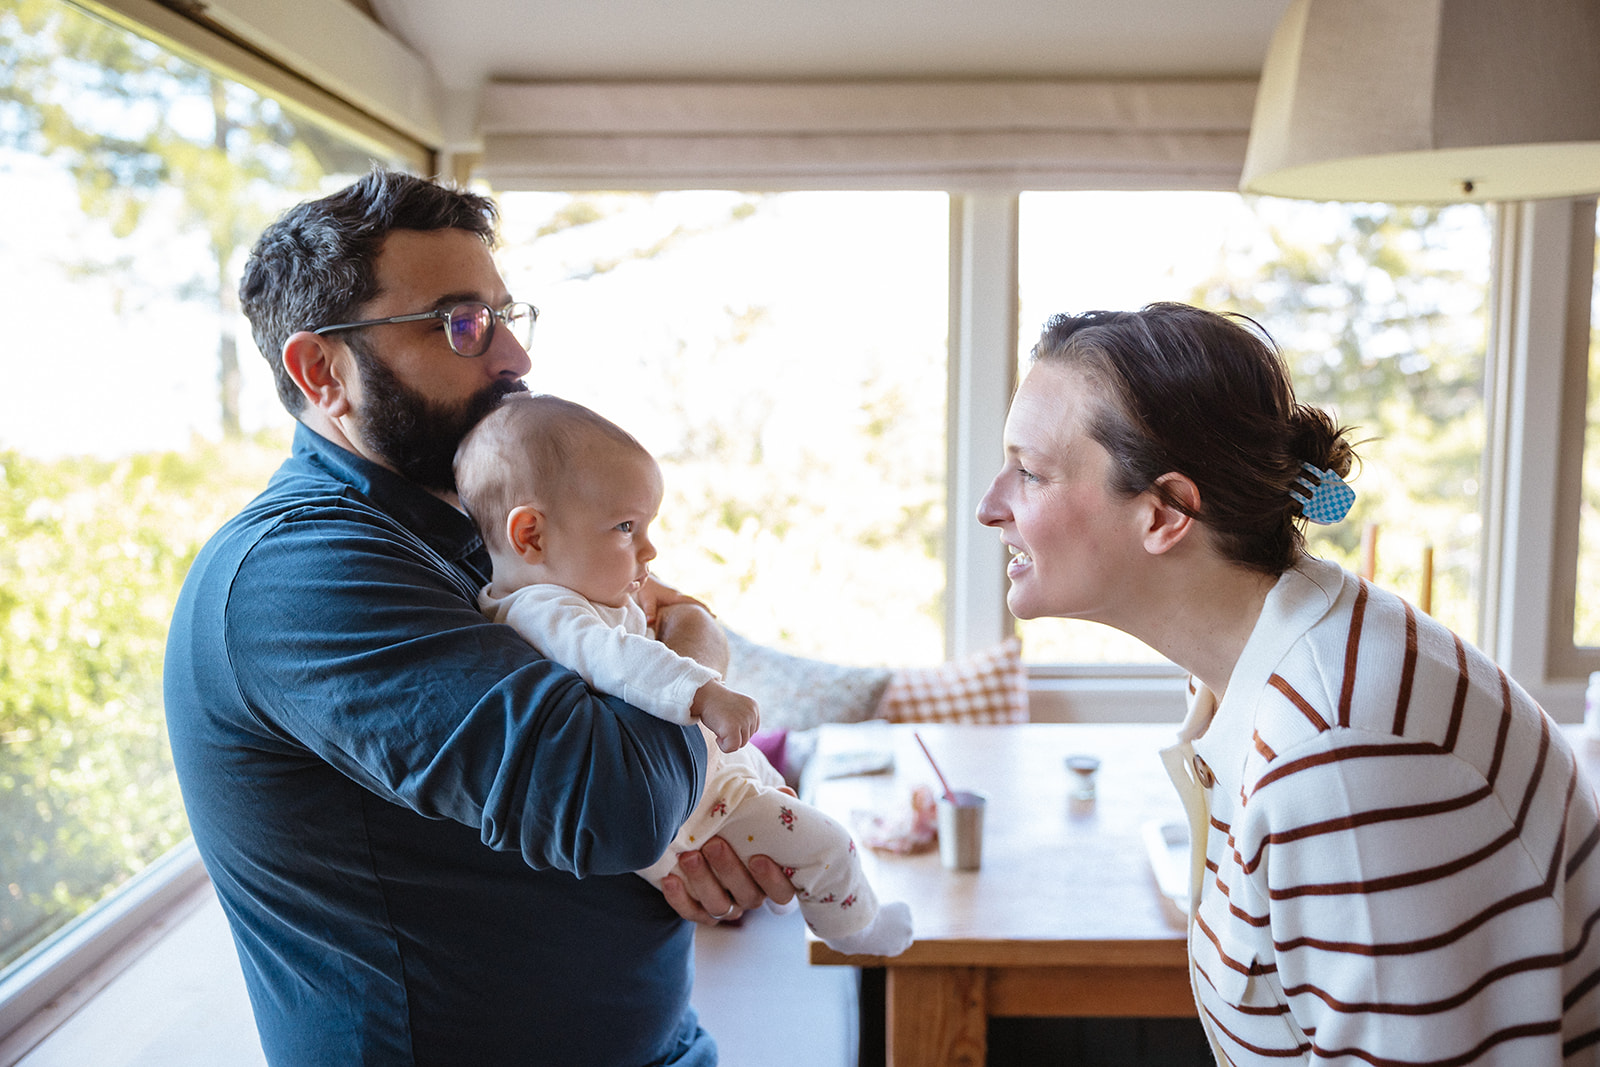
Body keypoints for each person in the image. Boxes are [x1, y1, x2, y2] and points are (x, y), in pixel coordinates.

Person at [163, 169, 792, 1067]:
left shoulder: (469, 533)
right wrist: (701, 646)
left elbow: (619, 758)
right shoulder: (302, 575)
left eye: (504, 316)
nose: (514, 359)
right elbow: (615, 802)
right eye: (461, 323)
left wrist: (696, 833)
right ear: (321, 371)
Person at [976, 302, 1600, 1065]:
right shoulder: (1265, 671)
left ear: (1166, 512)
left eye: (1030, 472)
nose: (990, 505)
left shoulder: (1338, 748)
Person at [454, 392, 914, 956]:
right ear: (531, 536)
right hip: (701, 813)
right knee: (830, 845)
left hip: (710, 785)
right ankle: (856, 931)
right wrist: (704, 691)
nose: (649, 549)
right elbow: (619, 660)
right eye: (625, 527)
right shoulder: (544, 610)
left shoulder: (572, 592)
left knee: (794, 821)